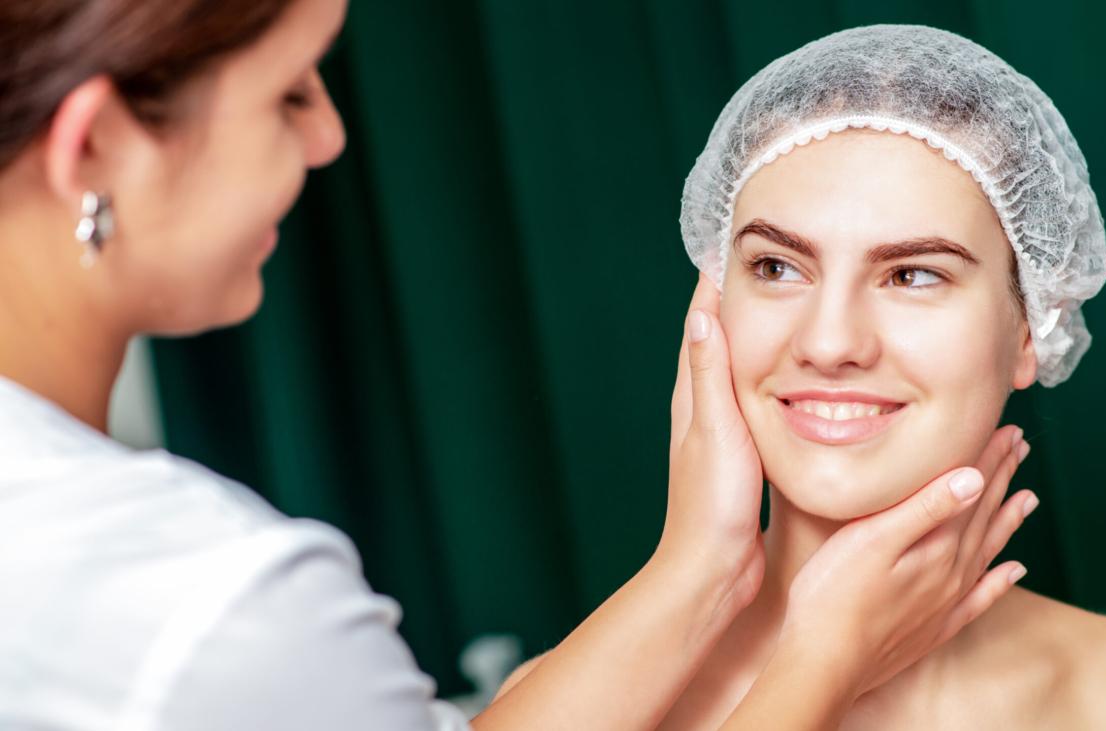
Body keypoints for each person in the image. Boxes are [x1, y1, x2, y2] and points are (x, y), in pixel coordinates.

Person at [0, 4, 1032, 730]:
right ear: (92, 145)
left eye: (913, 274)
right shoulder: (211, 604)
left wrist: (704, 561)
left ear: (1032, 326)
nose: (328, 137)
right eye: (288, 93)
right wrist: (820, 661)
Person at [500, 26, 1106, 730]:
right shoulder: (575, 702)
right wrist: (730, 589)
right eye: (776, 266)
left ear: (1032, 323)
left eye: (912, 274)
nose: (830, 342)